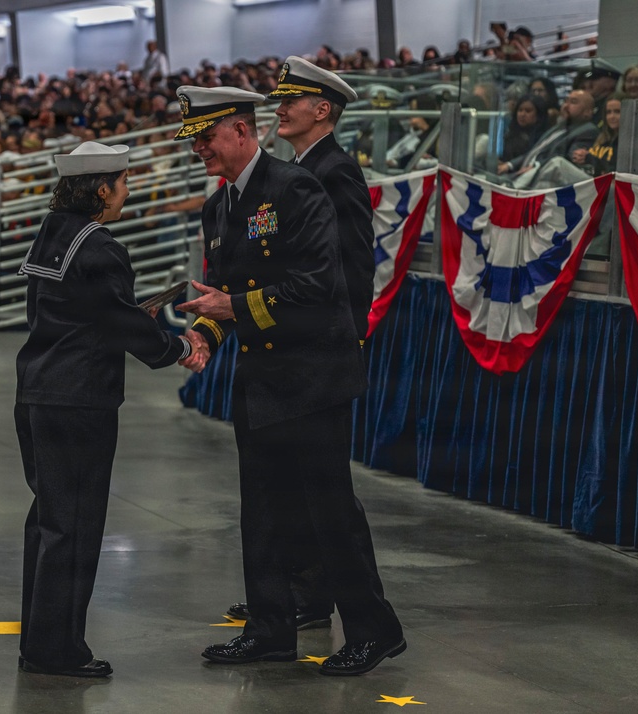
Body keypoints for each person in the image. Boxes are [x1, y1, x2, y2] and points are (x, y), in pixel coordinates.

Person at [173, 86, 404, 676]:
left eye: (207, 137)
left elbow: (318, 285)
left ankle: (373, 629)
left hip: (313, 374)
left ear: (242, 132)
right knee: (263, 509)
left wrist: (234, 309)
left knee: (329, 510)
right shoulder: (217, 208)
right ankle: (271, 629)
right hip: (260, 379)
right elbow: (220, 296)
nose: (200, 149)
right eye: (194, 141)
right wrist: (205, 334)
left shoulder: (298, 187)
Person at [15, 141, 204, 679]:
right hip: (78, 399)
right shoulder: (101, 246)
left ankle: (40, 640)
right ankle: (57, 651)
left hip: (37, 391)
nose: (127, 192)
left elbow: (84, 310)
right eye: (122, 183)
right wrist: (178, 348)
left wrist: (127, 314)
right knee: (74, 526)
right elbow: (118, 323)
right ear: (102, 189)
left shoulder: (53, 232)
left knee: (50, 522)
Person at [217, 56, 376, 633]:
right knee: (288, 490)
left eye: (290, 102)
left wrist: (344, 338)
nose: (278, 109)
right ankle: (295, 595)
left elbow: (352, 267)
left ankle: (318, 598)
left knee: (324, 495)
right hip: (285, 348)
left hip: (317, 350)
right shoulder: (291, 173)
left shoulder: (333, 171)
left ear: (322, 110)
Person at [500, 93, 550, 163]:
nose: (522, 114)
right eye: (520, 110)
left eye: (528, 111)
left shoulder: (544, 138)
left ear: (539, 115)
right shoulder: (509, 134)